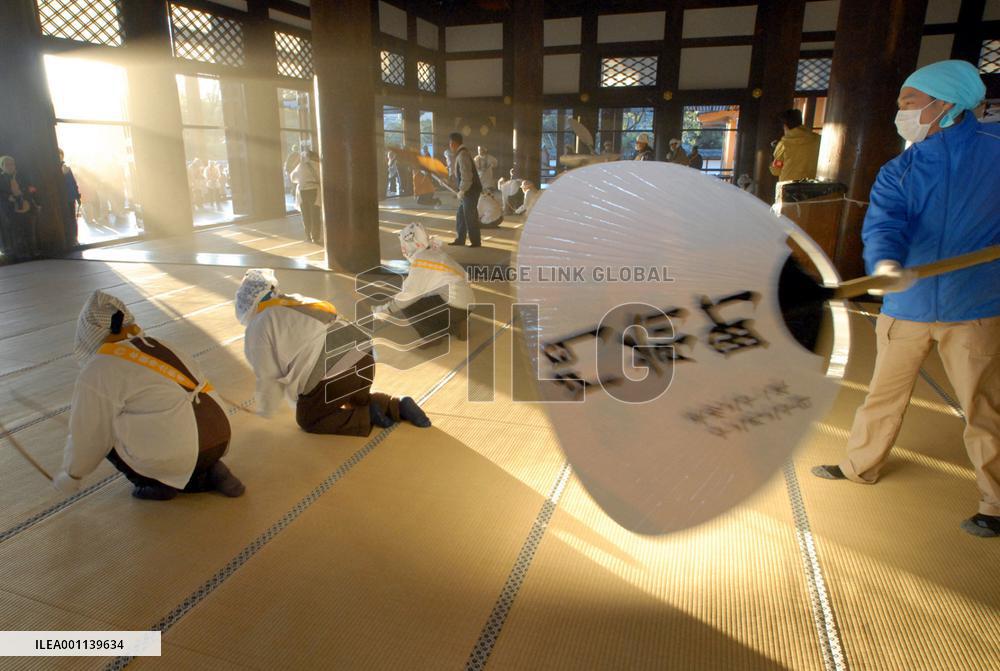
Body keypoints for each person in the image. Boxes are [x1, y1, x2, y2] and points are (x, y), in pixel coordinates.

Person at [810, 60, 1000, 538]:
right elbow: (884, 223)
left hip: (974, 305)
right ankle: (860, 466)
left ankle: (996, 502)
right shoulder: (901, 168)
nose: (902, 113)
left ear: (946, 104)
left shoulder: (997, 153)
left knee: (984, 407)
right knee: (882, 396)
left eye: (909, 104)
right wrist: (886, 263)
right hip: (908, 306)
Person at [54, 290, 244, 501]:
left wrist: (72, 475)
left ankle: (159, 483)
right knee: (170, 415)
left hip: (180, 452)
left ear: (89, 333)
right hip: (219, 436)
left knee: (103, 426)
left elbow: (88, 435)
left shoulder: (100, 367)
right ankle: (210, 467)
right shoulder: (158, 344)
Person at [236, 269, 431, 437]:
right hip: (365, 358)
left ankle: (367, 416)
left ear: (248, 306)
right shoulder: (294, 300)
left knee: (309, 418)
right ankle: (397, 405)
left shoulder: (257, 326)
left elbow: (267, 376)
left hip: (332, 373)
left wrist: (265, 409)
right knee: (354, 399)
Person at [372, 223, 474, 343]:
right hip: (467, 304)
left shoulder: (422, 261)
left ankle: (432, 337)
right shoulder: (434, 251)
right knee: (424, 298)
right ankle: (456, 325)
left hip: (455, 308)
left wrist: (385, 310)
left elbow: (409, 295)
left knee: (409, 304)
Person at [447, 132, 483, 248]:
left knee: (470, 215)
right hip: (469, 190)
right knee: (461, 215)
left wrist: (462, 191)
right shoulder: (462, 154)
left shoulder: (462, 155)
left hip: (470, 190)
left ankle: (475, 242)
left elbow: (467, 176)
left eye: (450, 143)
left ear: (453, 143)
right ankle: (460, 239)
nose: (449, 146)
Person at [0, 155, 38, 259]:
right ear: (2, 166)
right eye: (7, 165)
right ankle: (20, 254)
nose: (10, 166)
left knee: (30, 231)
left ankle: (33, 252)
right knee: (17, 233)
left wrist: (24, 191)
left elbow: (32, 188)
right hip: (11, 210)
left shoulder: (22, 175)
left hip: (27, 206)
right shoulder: (1, 179)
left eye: (12, 164)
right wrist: (8, 197)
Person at [769, 109, 821, 181]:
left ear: (785, 126)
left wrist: (774, 153)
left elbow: (776, 171)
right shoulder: (817, 139)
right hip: (810, 185)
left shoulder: (784, 144)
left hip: (788, 187)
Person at [290, 149, 322, 244]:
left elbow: (293, 178)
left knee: (305, 214)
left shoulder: (300, 166)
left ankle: (308, 235)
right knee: (314, 214)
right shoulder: (317, 165)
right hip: (314, 190)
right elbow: (321, 177)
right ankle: (315, 236)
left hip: (302, 191)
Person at [59, 149, 81, 247]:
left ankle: (74, 239)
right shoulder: (55, 169)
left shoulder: (66, 168)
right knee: (66, 219)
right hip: (62, 198)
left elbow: (73, 182)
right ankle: (69, 239)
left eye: (60, 155)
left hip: (70, 197)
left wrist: (77, 195)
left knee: (72, 219)